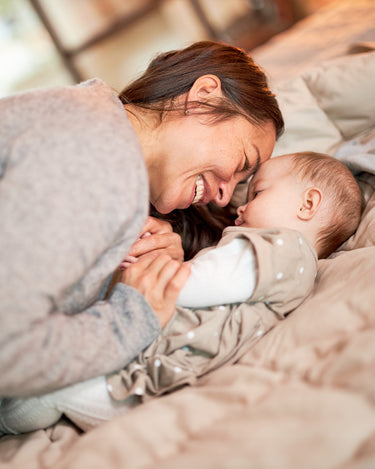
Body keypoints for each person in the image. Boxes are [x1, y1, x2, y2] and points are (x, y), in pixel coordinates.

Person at [0, 151, 364, 434]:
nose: (240, 205)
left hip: (149, 372)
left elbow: (200, 283)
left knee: (52, 383)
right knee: (50, 388)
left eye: (258, 192)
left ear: (308, 204)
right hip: (159, 372)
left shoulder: (283, 247)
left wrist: (154, 271)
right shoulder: (287, 261)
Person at [0, 41, 284, 398]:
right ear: (204, 95)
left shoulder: (92, 120)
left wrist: (122, 273)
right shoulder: (97, 157)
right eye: (243, 161)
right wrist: (134, 315)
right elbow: (10, 346)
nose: (226, 194)